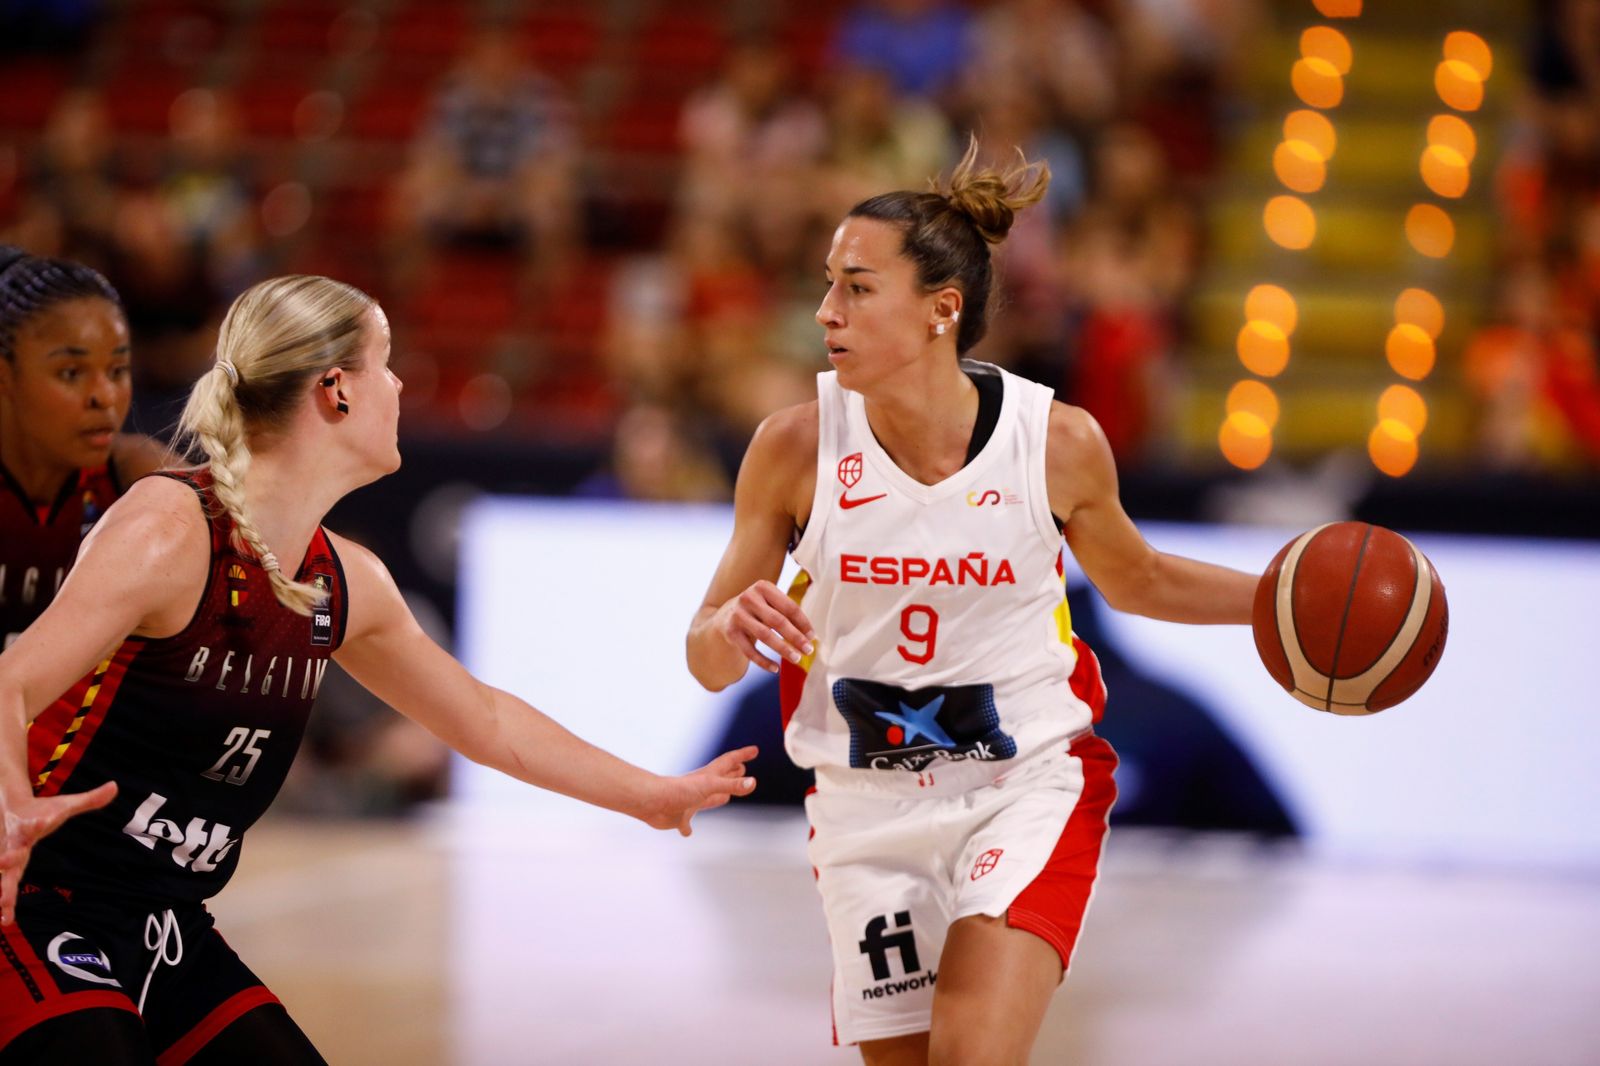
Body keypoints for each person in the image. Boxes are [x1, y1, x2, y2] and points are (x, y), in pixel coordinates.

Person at [0, 274, 757, 1062]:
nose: (399, 385)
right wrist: (9, 803)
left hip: (164, 927)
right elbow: (9, 682)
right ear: (336, 391)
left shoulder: (344, 582)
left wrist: (651, 795)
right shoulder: (171, 530)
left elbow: (485, 721)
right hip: (38, 906)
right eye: (386, 362)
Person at [686, 141, 1256, 1065]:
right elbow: (704, 658)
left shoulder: (1056, 442)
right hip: (868, 811)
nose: (826, 311)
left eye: (858, 288)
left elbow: (1139, 579)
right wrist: (729, 626)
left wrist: (1273, 603)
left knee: (971, 1055)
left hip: (1023, 785)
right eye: (829, 283)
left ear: (942, 310)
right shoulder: (792, 449)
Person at [0, 245, 166, 649]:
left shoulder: (141, 479)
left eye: (117, 370)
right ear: (5, 375)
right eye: (71, 372)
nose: (104, 397)